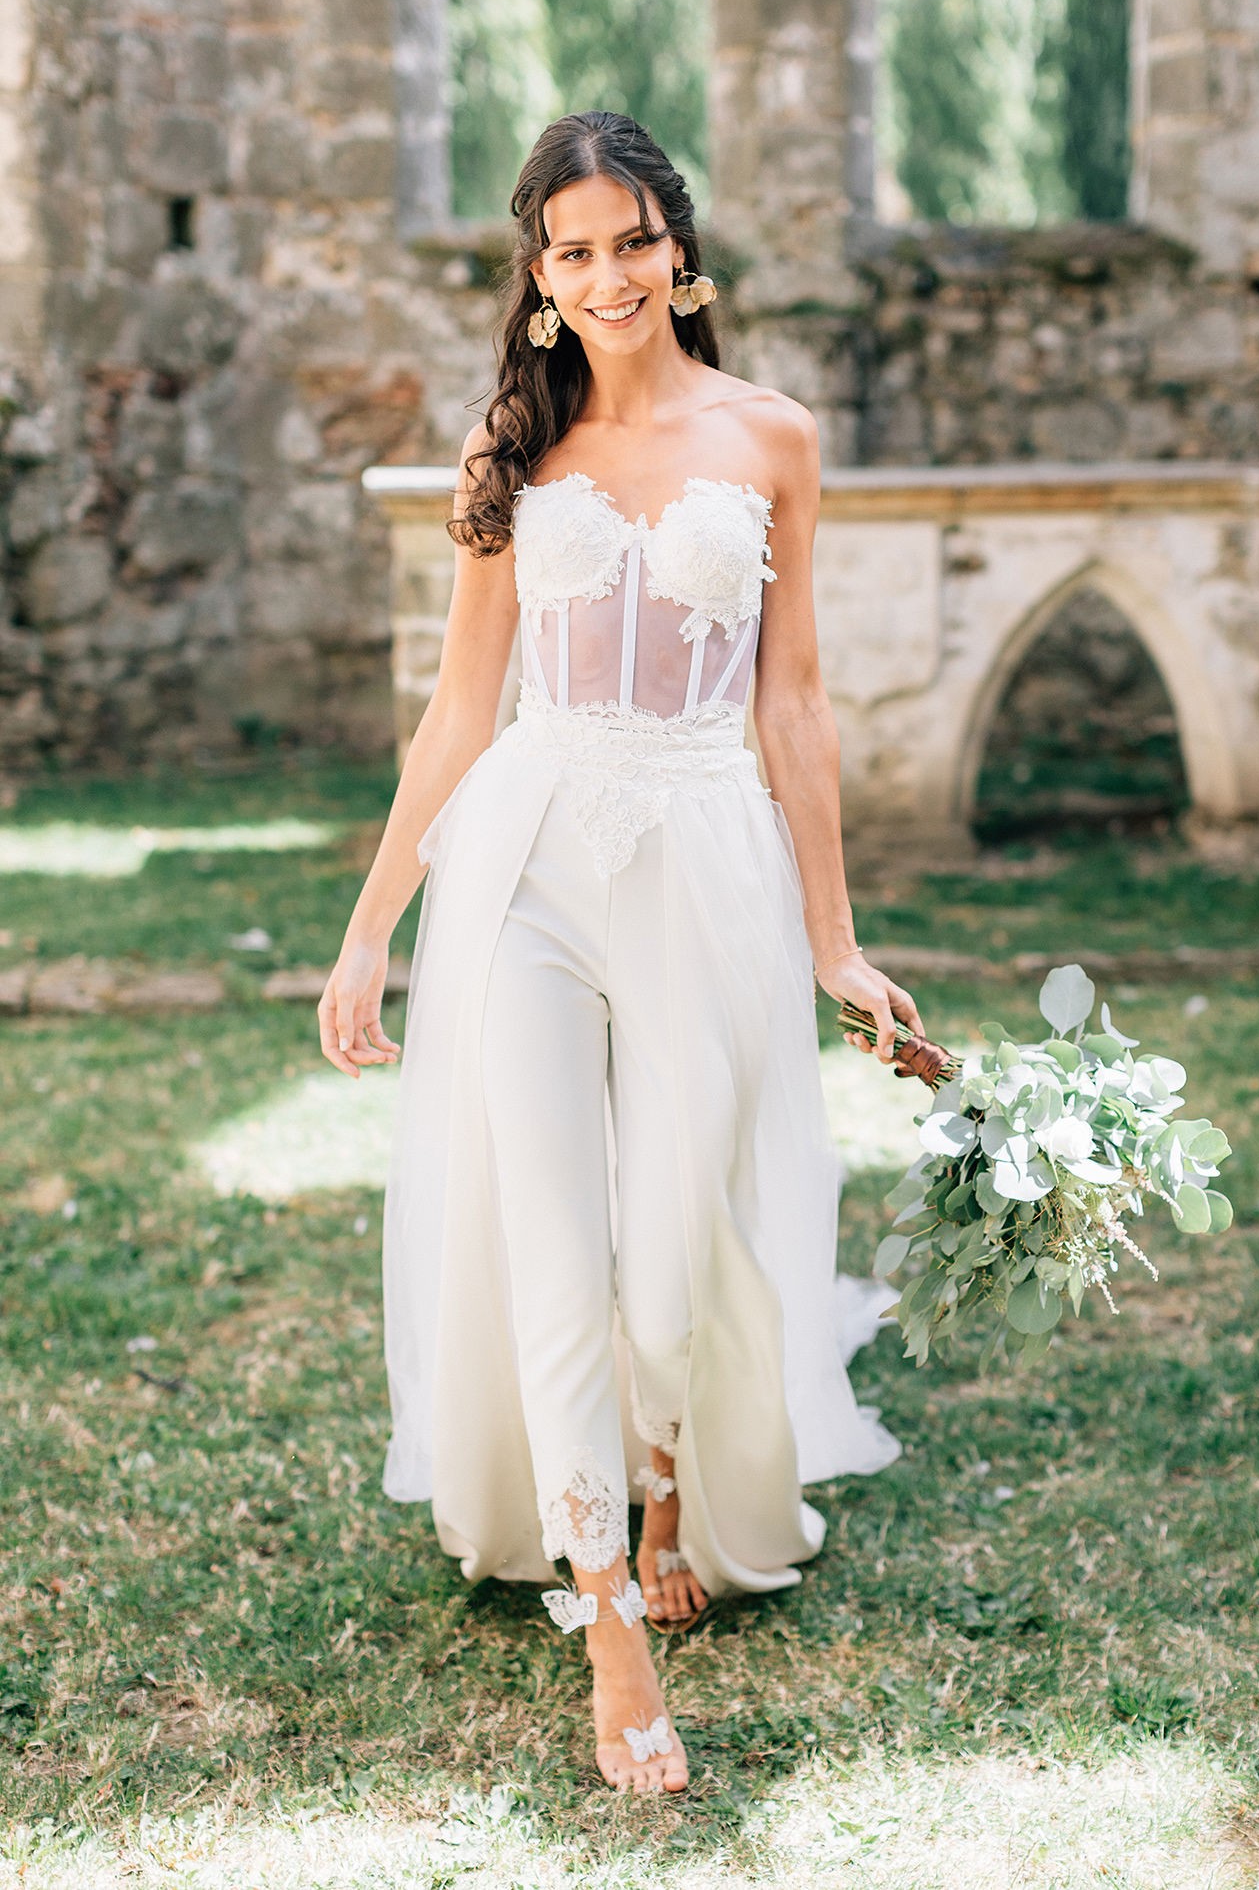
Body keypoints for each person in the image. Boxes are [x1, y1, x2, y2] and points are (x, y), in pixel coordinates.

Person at [319, 110, 922, 1796]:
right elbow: (459, 709)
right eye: (567, 251)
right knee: (552, 1240)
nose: (602, 277)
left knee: (671, 1251)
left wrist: (837, 942)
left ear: (680, 246)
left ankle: (670, 1474)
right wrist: (374, 928)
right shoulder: (511, 457)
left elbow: (790, 700)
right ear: (535, 274)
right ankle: (607, 1618)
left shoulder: (773, 437)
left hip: (709, 860)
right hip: (524, 865)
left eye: (629, 241)